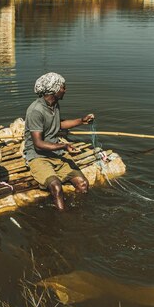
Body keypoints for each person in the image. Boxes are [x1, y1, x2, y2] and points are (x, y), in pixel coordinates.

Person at [24, 72, 95, 210]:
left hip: (57, 153)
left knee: (83, 184)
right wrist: (64, 145)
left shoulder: (54, 105)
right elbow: (38, 144)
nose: (65, 90)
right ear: (54, 89)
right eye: (63, 87)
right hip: (38, 157)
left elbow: (59, 124)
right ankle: (63, 217)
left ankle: (81, 212)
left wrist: (82, 121)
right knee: (56, 187)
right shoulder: (36, 111)